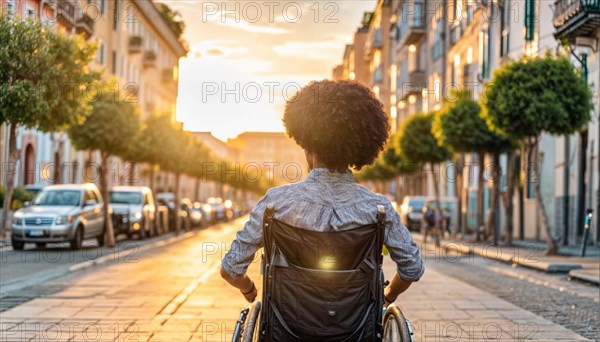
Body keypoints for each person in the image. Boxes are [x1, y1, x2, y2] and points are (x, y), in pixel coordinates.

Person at [220, 80, 424, 309]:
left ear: (308, 150)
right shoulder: (380, 209)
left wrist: (248, 288)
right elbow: (412, 268)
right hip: (355, 324)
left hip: (289, 322)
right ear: (360, 149)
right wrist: (388, 297)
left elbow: (230, 269)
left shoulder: (275, 204)